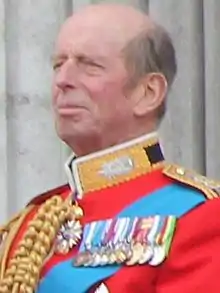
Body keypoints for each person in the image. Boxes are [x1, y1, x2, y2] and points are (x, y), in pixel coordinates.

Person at [0, 3, 220, 293]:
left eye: (89, 65)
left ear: (148, 92)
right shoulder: (31, 224)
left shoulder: (199, 215)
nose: (62, 80)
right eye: (58, 64)